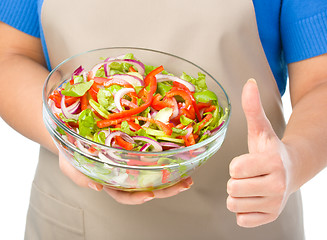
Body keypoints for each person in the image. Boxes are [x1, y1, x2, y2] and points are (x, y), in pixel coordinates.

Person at [0, 0, 326, 239]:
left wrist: (293, 161)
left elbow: (319, 82)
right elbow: (9, 55)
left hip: (242, 219)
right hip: (76, 222)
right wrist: (71, 142)